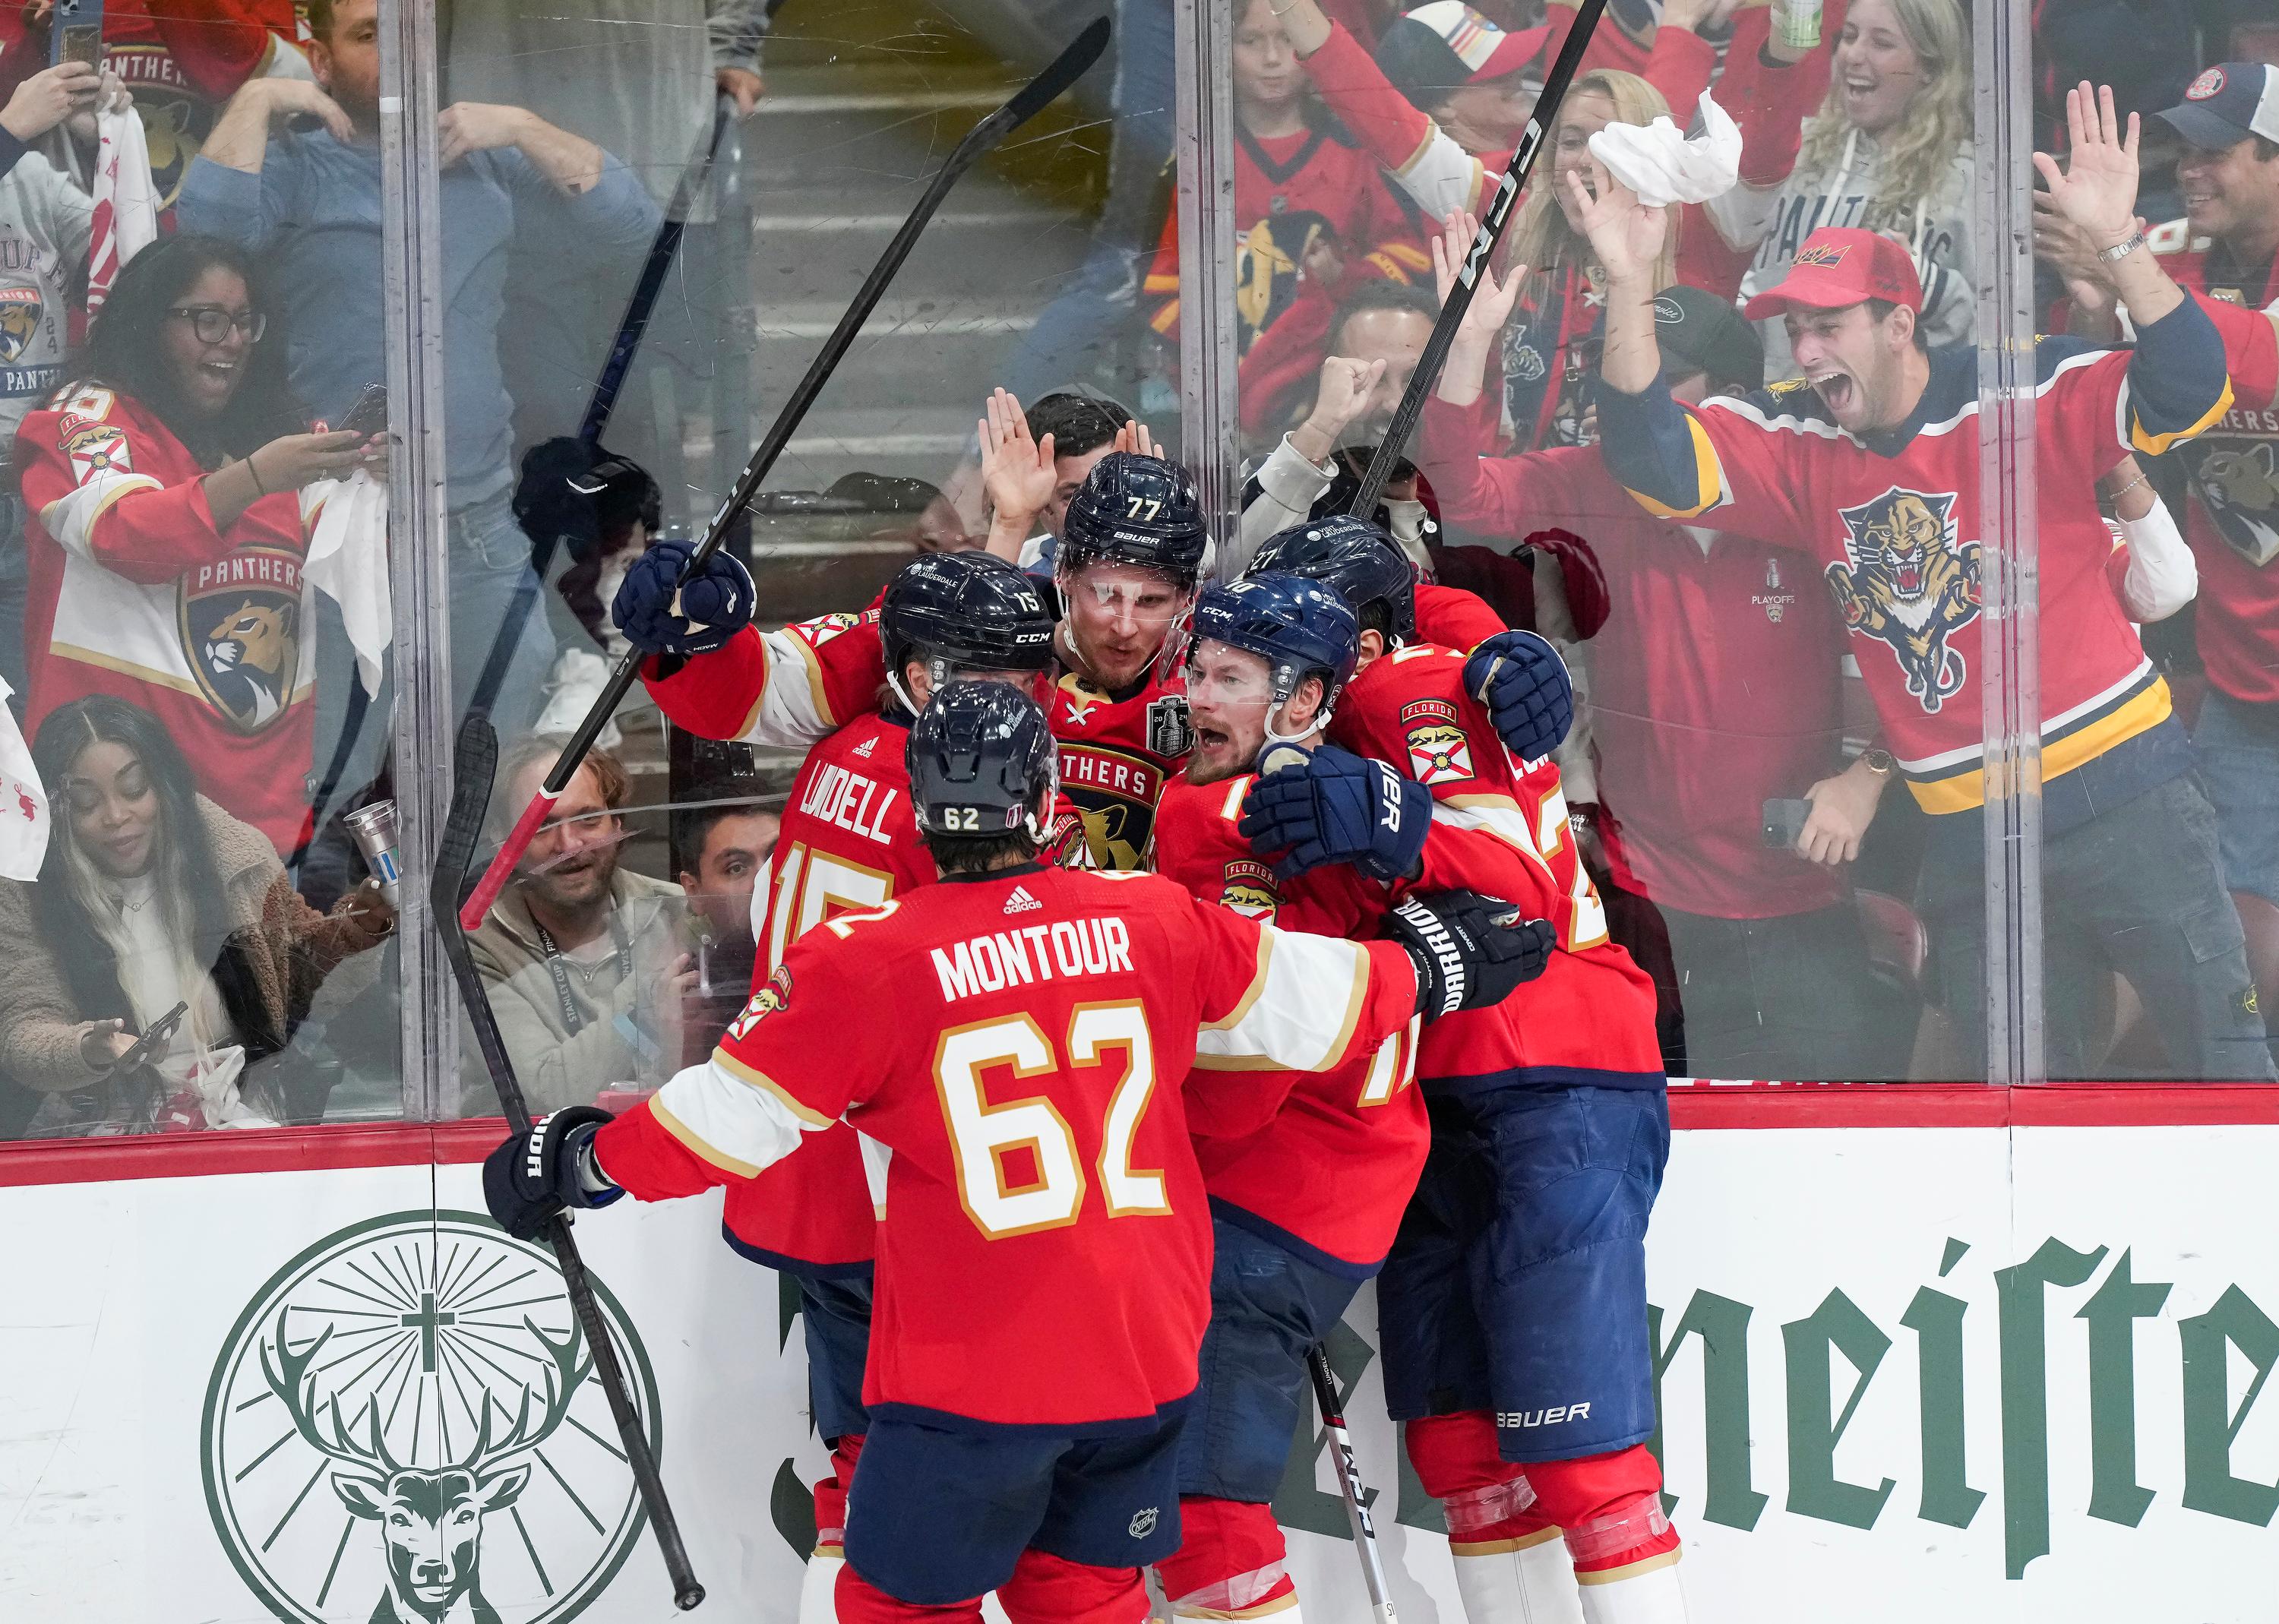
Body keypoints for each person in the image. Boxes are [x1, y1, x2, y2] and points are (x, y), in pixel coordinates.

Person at [481, 678, 1549, 1622]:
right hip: (1142, 1358)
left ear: (923, 806)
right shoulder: (1154, 918)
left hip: (971, 1372)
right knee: (1084, 1597)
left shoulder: (872, 959)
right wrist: (1438, 963)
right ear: (1044, 803)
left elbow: (730, 1118)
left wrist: (580, 1162)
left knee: (901, 1599)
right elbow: (1320, 1003)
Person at [1583, 85, 2279, 1080]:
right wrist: (1624, 278)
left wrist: (2122, 241)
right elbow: (1648, 456)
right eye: (1797, 329)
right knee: (2008, 1113)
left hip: (2128, 800)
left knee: (2230, 1059)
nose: (1809, 351)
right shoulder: (1801, 445)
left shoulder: (2027, 391)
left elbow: (2192, 384)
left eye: (1830, 327)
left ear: (1899, 321)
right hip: (1976, 840)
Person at [1244, 515, 1683, 1623]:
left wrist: (1386, 813)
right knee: (1465, 1458)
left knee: (1585, 1461)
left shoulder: (1410, 687)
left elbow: (1518, 891)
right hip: (1424, 1093)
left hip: (1550, 1072)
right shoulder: (1311, 716)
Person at [648, 551, 1061, 1624]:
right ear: (924, 680)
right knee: (913, 1484)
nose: (1029, 703)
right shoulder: (951, 801)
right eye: (999, 682)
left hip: (812, 1172)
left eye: (1031, 676)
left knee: (863, 1460)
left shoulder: (846, 749)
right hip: (888, 1189)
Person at [1148, 571, 1557, 1623]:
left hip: (1264, 1199)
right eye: (1197, 669)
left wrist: (1399, 827)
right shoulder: (1342, 798)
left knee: (1197, 1506)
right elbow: (1522, 902)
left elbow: (1238, 1079)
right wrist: (1403, 838)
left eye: (1229, 677)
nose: (1198, 695)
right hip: (1344, 1184)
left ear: (1298, 701)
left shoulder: (1219, 808)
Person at [1414, 210, 1885, 1079]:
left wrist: (1867, 777)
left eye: (1670, 381)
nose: (1633, 404)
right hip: (1652, 905)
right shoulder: (1592, 477)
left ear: (1739, 398)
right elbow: (1458, 495)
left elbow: (1913, 660)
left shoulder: (1813, 483)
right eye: (1620, 376)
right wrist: (1470, 346)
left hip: (1804, 895)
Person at [175, 0, 660, 734]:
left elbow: (633, 228)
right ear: (323, 56)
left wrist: (522, 127)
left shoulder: (484, 160)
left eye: (409, 35)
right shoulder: (300, 166)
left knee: (505, 756)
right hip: (335, 528)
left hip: (477, 527)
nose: (396, 55)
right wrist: (259, 95)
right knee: (339, 774)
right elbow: (204, 236)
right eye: (369, 36)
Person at [1274, 0, 1825, 448]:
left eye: (1614, 141)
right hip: (1530, 510)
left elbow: (1772, 142)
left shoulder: (1707, 223)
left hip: (1664, 514)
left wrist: (1790, 35)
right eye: (1570, 138)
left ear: (1654, 150)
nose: (1586, 157)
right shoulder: (1512, 203)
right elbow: (1377, 114)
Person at [15, 232, 380, 857]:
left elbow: (356, 564)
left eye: (244, 322)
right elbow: (126, 535)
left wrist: (372, 478)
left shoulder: (274, 432)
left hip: (262, 826)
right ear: (148, 325)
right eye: (207, 321)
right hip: (123, 826)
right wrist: (262, 474)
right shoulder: (82, 418)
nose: (233, 341)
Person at [0, 694, 390, 1137]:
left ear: (164, 786)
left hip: (244, 1121)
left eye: (133, 790)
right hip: (99, 1137)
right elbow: (23, 1029)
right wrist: (87, 1048)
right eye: (86, 804)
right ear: (55, 812)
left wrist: (359, 930)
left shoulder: (238, 858)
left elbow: (300, 980)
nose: (116, 816)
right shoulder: (24, 890)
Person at [2124, 65, 2279, 944]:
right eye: (2183, 149)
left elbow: (2258, 354)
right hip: (2242, 676)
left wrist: (2125, 273)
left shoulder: (2153, 272)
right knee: (2230, 939)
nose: (2190, 167)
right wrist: (2102, 282)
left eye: (2216, 151)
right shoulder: (2170, 257)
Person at [1137, 0, 1430, 355]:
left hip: (1344, 366)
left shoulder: (1358, 150)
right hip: (1233, 383)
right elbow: (1162, 298)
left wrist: (1344, 276)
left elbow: (1411, 261)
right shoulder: (1196, 166)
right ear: (1221, 49)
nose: (1272, 58)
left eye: (1288, 37)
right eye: (1250, 41)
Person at [1720, 0, 1978, 378]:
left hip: (1892, 418)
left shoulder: (1969, 179)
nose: (1853, 55)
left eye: (1882, 43)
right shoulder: (1795, 149)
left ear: (1930, 67)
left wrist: (1922, 281)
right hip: (1773, 410)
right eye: (1850, 36)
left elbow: (1988, 338)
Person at [463, 737, 689, 1115]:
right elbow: (548, 1094)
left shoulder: (679, 911)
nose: (569, 844)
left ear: (617, 825)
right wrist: (648, 987)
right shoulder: (475, 946)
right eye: (541, 824)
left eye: (588, 819)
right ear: (503, 842)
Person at [0, 56, 115, 706]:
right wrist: (11, 129)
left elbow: (150, 273)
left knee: (38, 726)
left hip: (32, 498)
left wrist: (111, 150)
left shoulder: (31, 175)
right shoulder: (13, 143)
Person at [975, 387, 1136, 566]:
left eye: (1113, 488)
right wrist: (1010, 525)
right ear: (1045, 508)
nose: (1098, 512)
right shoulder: (1021, 571)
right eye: (1074, 496)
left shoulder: (1171, 571)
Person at [672, 791, 778, 1062]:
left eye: (780, 857)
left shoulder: (841, 960)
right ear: (694, 891)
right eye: (736, 868)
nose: (765, 880)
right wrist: (678, 1041)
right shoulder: (683, 996)